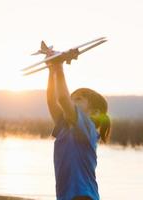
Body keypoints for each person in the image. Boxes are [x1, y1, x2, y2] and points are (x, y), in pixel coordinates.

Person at [46, 50, 111, 200]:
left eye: (78, 99)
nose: (72, 102)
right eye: (72, 98)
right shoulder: (65, 127)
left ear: (94, 112)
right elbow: (52, 100)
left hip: (83, 195)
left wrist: (59, 67)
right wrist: (51, 70)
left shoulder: (87, 127)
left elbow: (62, 98)